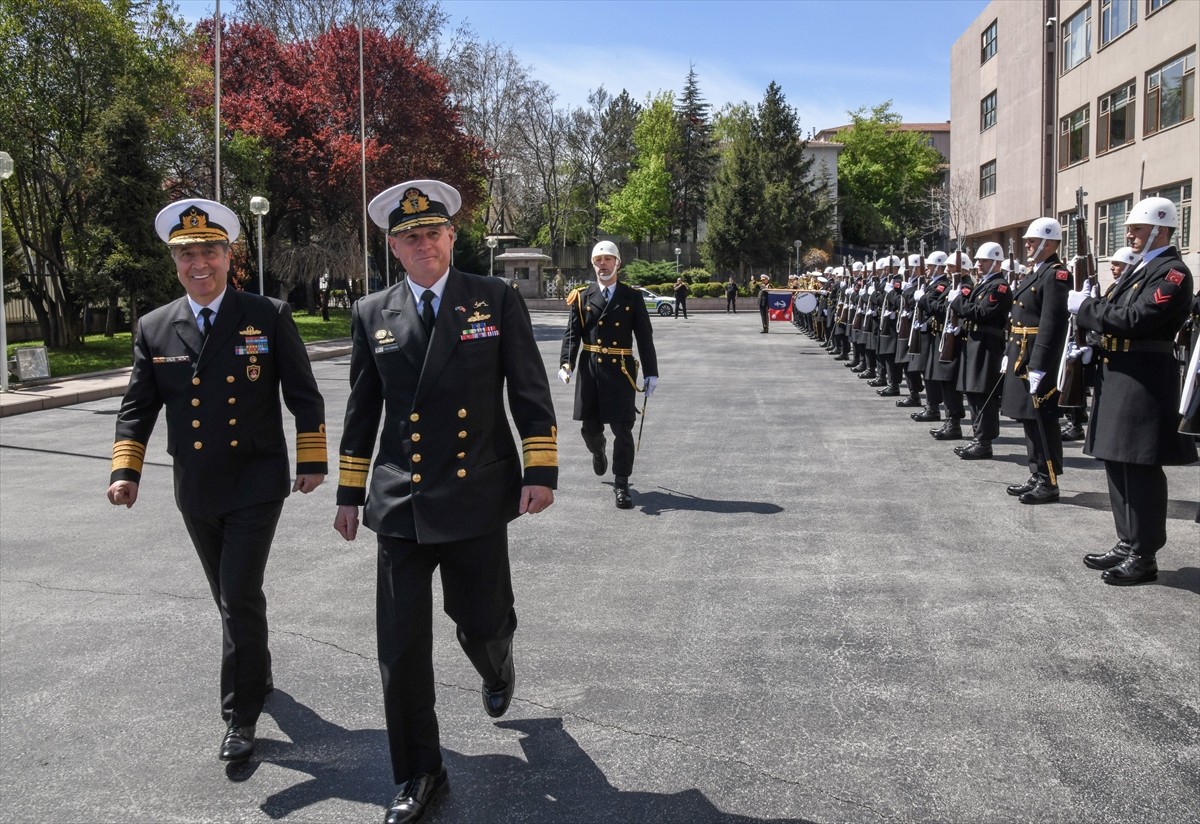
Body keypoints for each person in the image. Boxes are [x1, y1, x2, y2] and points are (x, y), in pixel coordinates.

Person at [333, 180, 558, 824]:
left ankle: (498, 661)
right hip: (400, 501)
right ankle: (419, 773)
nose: (423, 243)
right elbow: (360, 409)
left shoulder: (493, 298)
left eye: (433, 232)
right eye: (410, 237)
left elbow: (528, 388)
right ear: (394, 249)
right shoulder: (372, 313)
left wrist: (539, 467)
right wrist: (351, 492)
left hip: (477, 493)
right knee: (400, 647)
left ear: (452, 237)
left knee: (482, 619)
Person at [107, 198, 327, 764]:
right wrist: (125, 470)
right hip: (197, 486)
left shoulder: (266, 314)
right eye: (186, 254)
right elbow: (138, 407)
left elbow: (303, 394)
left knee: (236, 595)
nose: (197, 262)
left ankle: (240, 715)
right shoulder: (155, 327)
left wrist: (312, 459)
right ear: (174, 262)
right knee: (230, 599)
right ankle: (259, 668)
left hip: (256, 480)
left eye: (208, 250)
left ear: (230, 256)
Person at [1069, 197, 1196, 585]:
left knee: (1139, 466)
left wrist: (1085, 308)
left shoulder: (1172, 273)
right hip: (1118, 372)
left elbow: (1137, 319)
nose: (1130, 234)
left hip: (1144, 378)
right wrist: (1092, 335)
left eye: (1137, 229)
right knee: (1116, 461)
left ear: (1160, 230)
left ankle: (1144, 554)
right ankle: (1127, 541)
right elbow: (1114, 315)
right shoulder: (1140, 270)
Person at [559, 241, 659, 509]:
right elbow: (572, 334)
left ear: (618, 263)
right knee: (589, 428)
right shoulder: (582, 296)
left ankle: (622, 483)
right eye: (598, 260)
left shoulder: (632, 296)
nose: (602, 264)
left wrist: (651, 373)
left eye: (607, 259)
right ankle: (598, 448)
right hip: (591, 367)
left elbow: (644, 337)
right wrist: (566, 362)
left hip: (621, 369)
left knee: (623, 428)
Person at [1000, 217, 1070, 504]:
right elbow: (1017, 319)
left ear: (1049, 243)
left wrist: (1040, 366)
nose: (1027, 244)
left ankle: (1049, 480)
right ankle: (1036, 473)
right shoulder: (1036, 272)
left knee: (1043, 419)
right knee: (1029, 418)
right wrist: (1009, 354)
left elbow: (1052, 324)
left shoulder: (1056, 274)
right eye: (1028, 240)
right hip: (1022, 352)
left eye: (1032, 240)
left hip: (1038, 355)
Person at [952, 242, 1012, 460]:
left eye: (983, 261)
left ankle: (984, 442)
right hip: (974, 341)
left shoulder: (999, 287)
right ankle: (978, 438)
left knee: (983, 393)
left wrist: (957, 303)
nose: (978, 264)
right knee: (973, 393)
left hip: (987, 344)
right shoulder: (983, 284)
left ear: (996, 262)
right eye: (977, 260)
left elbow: (981, 312)